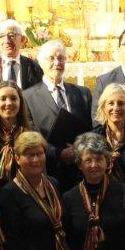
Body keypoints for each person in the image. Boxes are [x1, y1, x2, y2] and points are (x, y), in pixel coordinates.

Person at [23, 40, 93, 187]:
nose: (57, 62)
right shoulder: (27, 97)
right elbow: (30, 132)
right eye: (52, 58)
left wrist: (79, 149)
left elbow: (90, 127)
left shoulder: (82, 93)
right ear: (41, 63)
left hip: (80, 169)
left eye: (61, 58)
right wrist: (58, 153)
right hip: (47, 169)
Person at [0, 81, 33, 185]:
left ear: (20, 102)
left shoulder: (31, 134)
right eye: (3, 99)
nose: (8, 103)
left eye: (13, 98)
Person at [0, 19, 44, 89]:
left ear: (22, 39)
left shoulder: (33, 66)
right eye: (1, 36)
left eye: (11, 35)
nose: (7, 41)